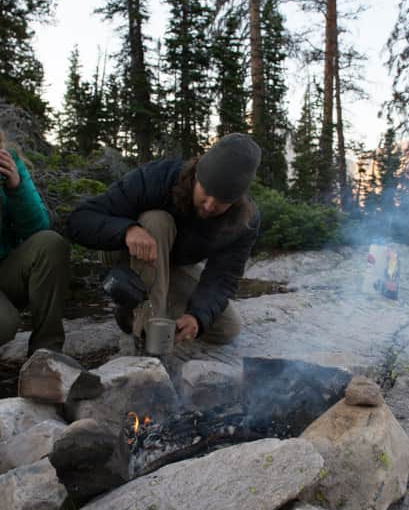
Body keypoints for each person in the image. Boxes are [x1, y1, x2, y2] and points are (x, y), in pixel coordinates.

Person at [68, 133, 261, 345]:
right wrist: (127, 230)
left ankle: (132, 310)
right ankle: (147, 336)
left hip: (169, 261)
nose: (209, 205)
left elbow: (223, 277)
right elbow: (79, 220)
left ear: (236, 200)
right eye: (206, 192)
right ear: (196, 175)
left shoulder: (244, 221)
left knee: (226, 328)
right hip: (121, 247)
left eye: (222, 201)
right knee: (157, 220)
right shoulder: (158, 177)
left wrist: (196, 316)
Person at [0, 130, 70, 356]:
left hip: (6, 272)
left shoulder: (8, 161)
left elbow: (38, 229)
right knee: (4, 323)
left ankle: (46, 354)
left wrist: (16, 188)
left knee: (49, 244)